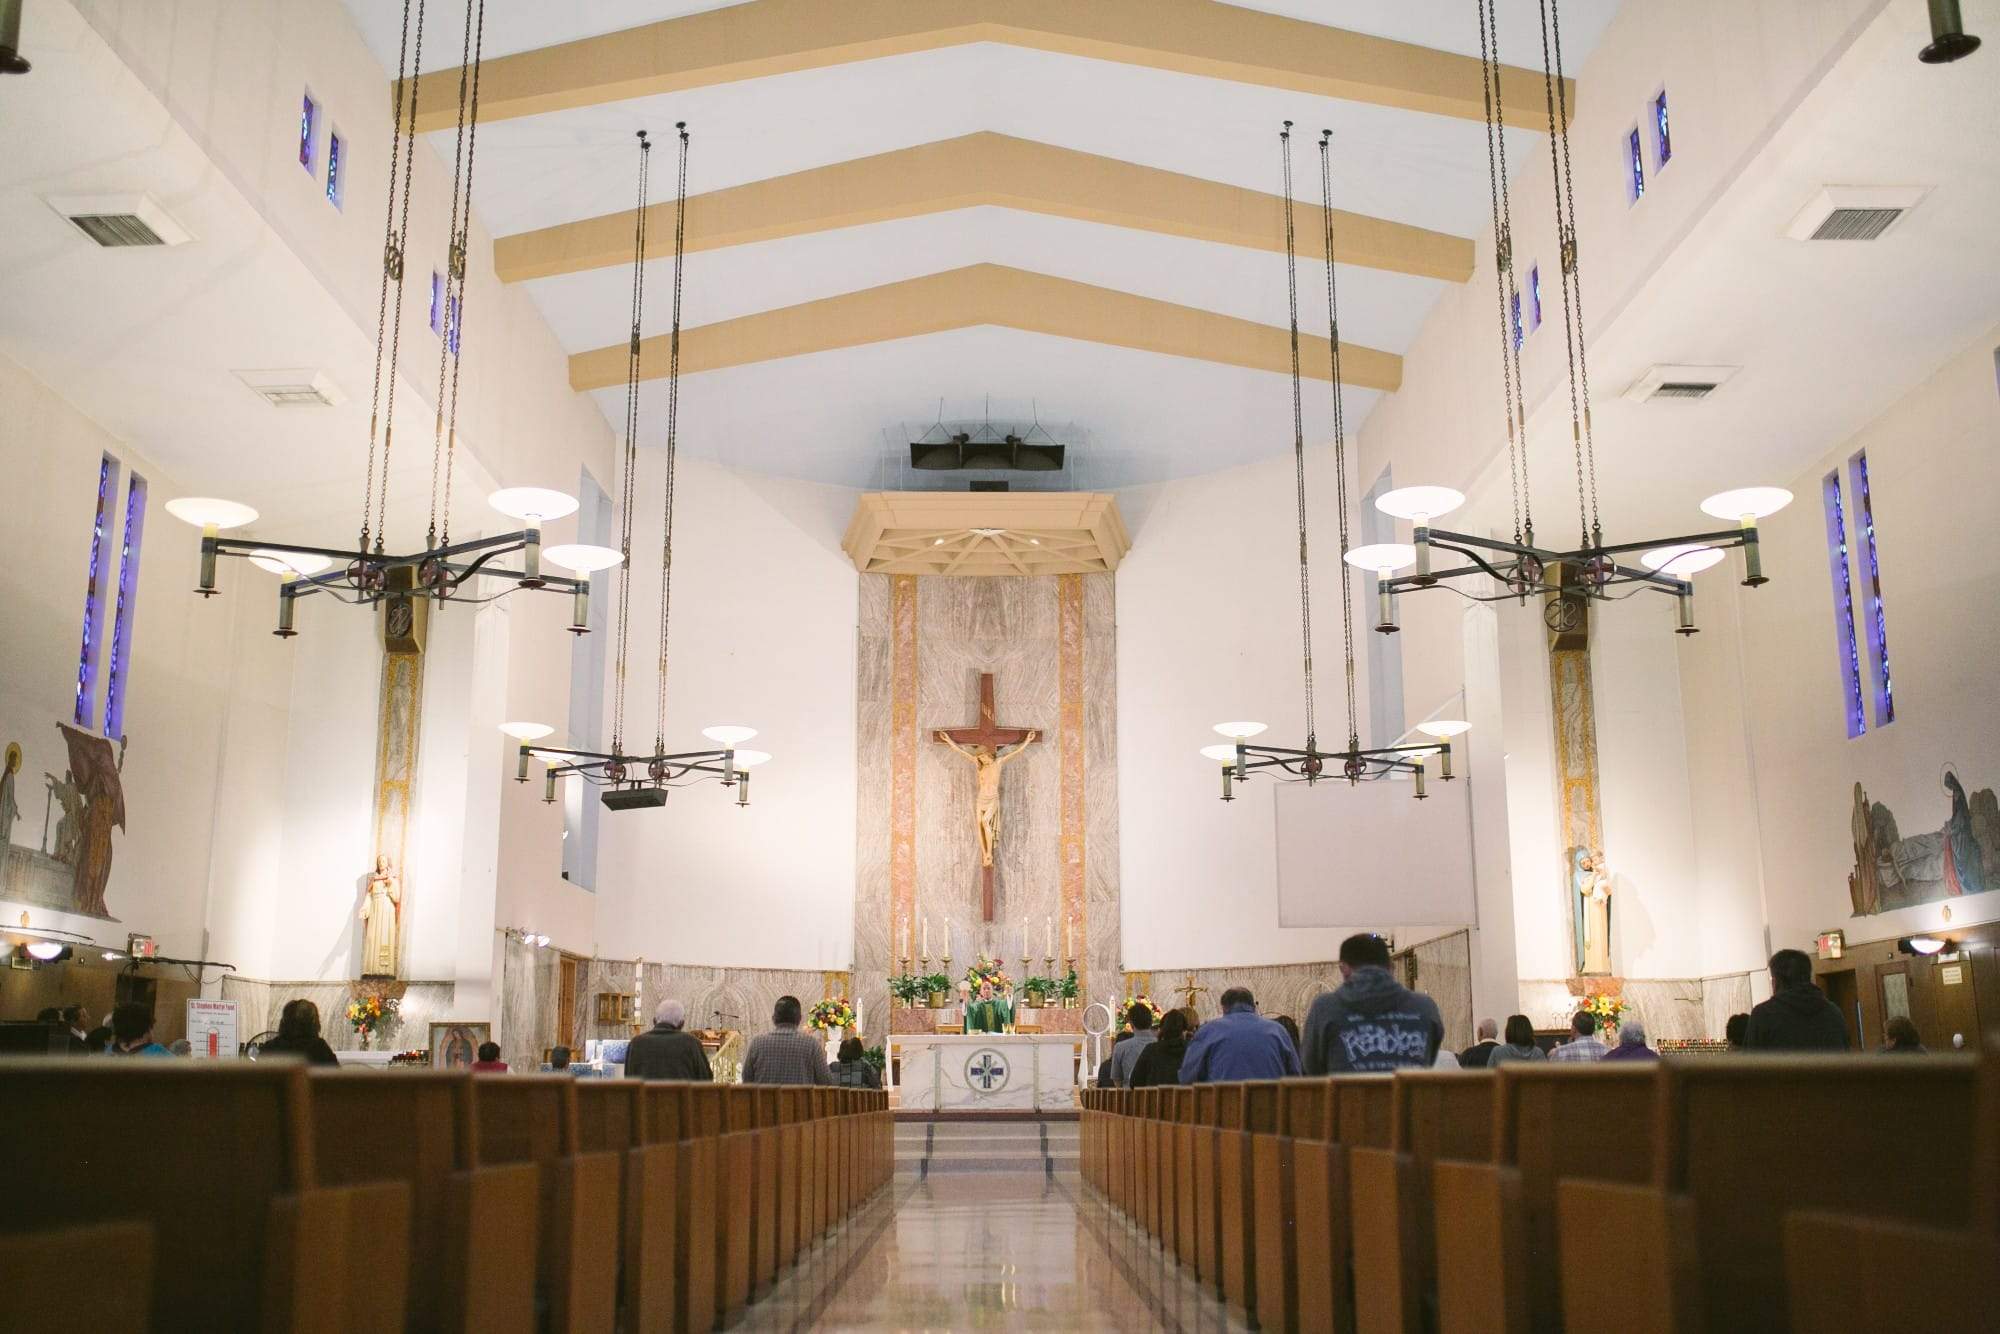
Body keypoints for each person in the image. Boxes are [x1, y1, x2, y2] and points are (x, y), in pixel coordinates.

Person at [1302, 933, 1444, 1074]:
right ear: (1390, 967)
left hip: (1347, 1096)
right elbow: (1429, 1059)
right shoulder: (1424, 1007)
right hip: (1410, 1096)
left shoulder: (1325, 1008)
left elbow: (1311, 1068)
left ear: (1343, 968)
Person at [1179, 987, 1301, 1083]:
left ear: (1224, 1008)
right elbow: (1295, 1074)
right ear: (1253, 1006)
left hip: (1222, 1108)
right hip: (1271, 1109)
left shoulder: (1208, 1031)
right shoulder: (1278, 1030)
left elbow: (1187, 1077)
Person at [1745, 949, 1849, 1051]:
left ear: (1777, 981)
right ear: (1808, 977)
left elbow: (1752, 1064)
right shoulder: (1833, 1012)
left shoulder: (1763, 1015)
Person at [741, 996, 835, 1086]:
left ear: (774, 1018)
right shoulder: (811, 1044)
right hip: (800, 1102)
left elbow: (746, 1079)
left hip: (764, 1102)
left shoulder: (757, 1043)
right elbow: (827, 1081)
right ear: (799, 1018)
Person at [624, 998, 713, 1081]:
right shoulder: (692, 1043)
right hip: (682, 1097)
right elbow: (706, 1080)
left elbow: (629, 1080)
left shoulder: (636, 1043)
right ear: (682, 1024)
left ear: (654, 1021)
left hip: (645, 1097)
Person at [258, 999, 339, 1066]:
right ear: (313, 1023)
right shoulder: (320, 1049)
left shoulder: (271, 1048)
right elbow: (336, 1078)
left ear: (284, 1022)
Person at [1129, 1009, 1194, 1088]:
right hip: (1186, 1098)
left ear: (1162, 1029)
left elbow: (1134, 1082)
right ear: (1184, 1031)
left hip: (1155, 1098)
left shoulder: (1151, 1049)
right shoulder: (1191, 1050)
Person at [1108, 1003, 1157, 1087]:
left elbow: (1117, 1080)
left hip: (1130, 1097)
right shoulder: (1160, 1043)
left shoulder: (1121, 1047)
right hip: (1158, 1098)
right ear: (1151, 1021)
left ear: (1131, 1023)